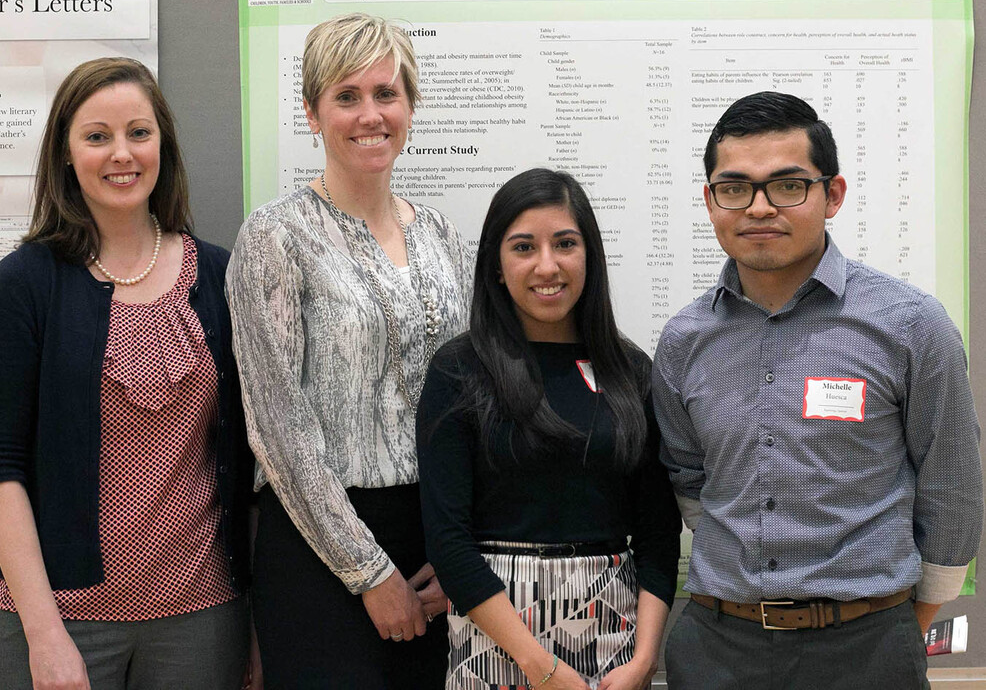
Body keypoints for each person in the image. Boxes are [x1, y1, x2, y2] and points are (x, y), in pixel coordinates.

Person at [653, 90, 983, 690]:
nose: (759, 207)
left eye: (787, 185)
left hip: (868, 647)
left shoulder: (910, 325)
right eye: (735, 188)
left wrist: (909, 620)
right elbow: (687, 475)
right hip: (717, 646)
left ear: (832, 195)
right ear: (710, 201)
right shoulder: (684, 339)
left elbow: (952, 483)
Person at [0, 58, 256, 690]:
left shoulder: (220, 278)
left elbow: (249, 461)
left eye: (139, 132)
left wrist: (257, 627)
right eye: (96, 136)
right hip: (57, 617)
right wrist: (45, 636)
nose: (121, 153)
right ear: (66, 155)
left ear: (164, 146)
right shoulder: (24, 284)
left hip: (202, 616)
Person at [226, 13, 471, 688]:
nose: (371, 114)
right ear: (312, 111)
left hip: (435, 541)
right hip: (318, 549)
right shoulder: (274, 237)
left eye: (387, 94)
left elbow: (473, 406)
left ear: (411, 107)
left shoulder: (445, 238)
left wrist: (459, 554)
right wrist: (368, 571)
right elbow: (279, 430)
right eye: (346, 96)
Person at [417, 168, 681, 690]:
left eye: (565, 244)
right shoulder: (458, 370)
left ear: (590, 256)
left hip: (616, 639)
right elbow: (449, 542)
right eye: (523, 247)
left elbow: (658, 532)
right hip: (497, 637)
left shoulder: (632, 373)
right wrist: (542, 668)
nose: (546, 265)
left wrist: (646, 658)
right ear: (495, 264)